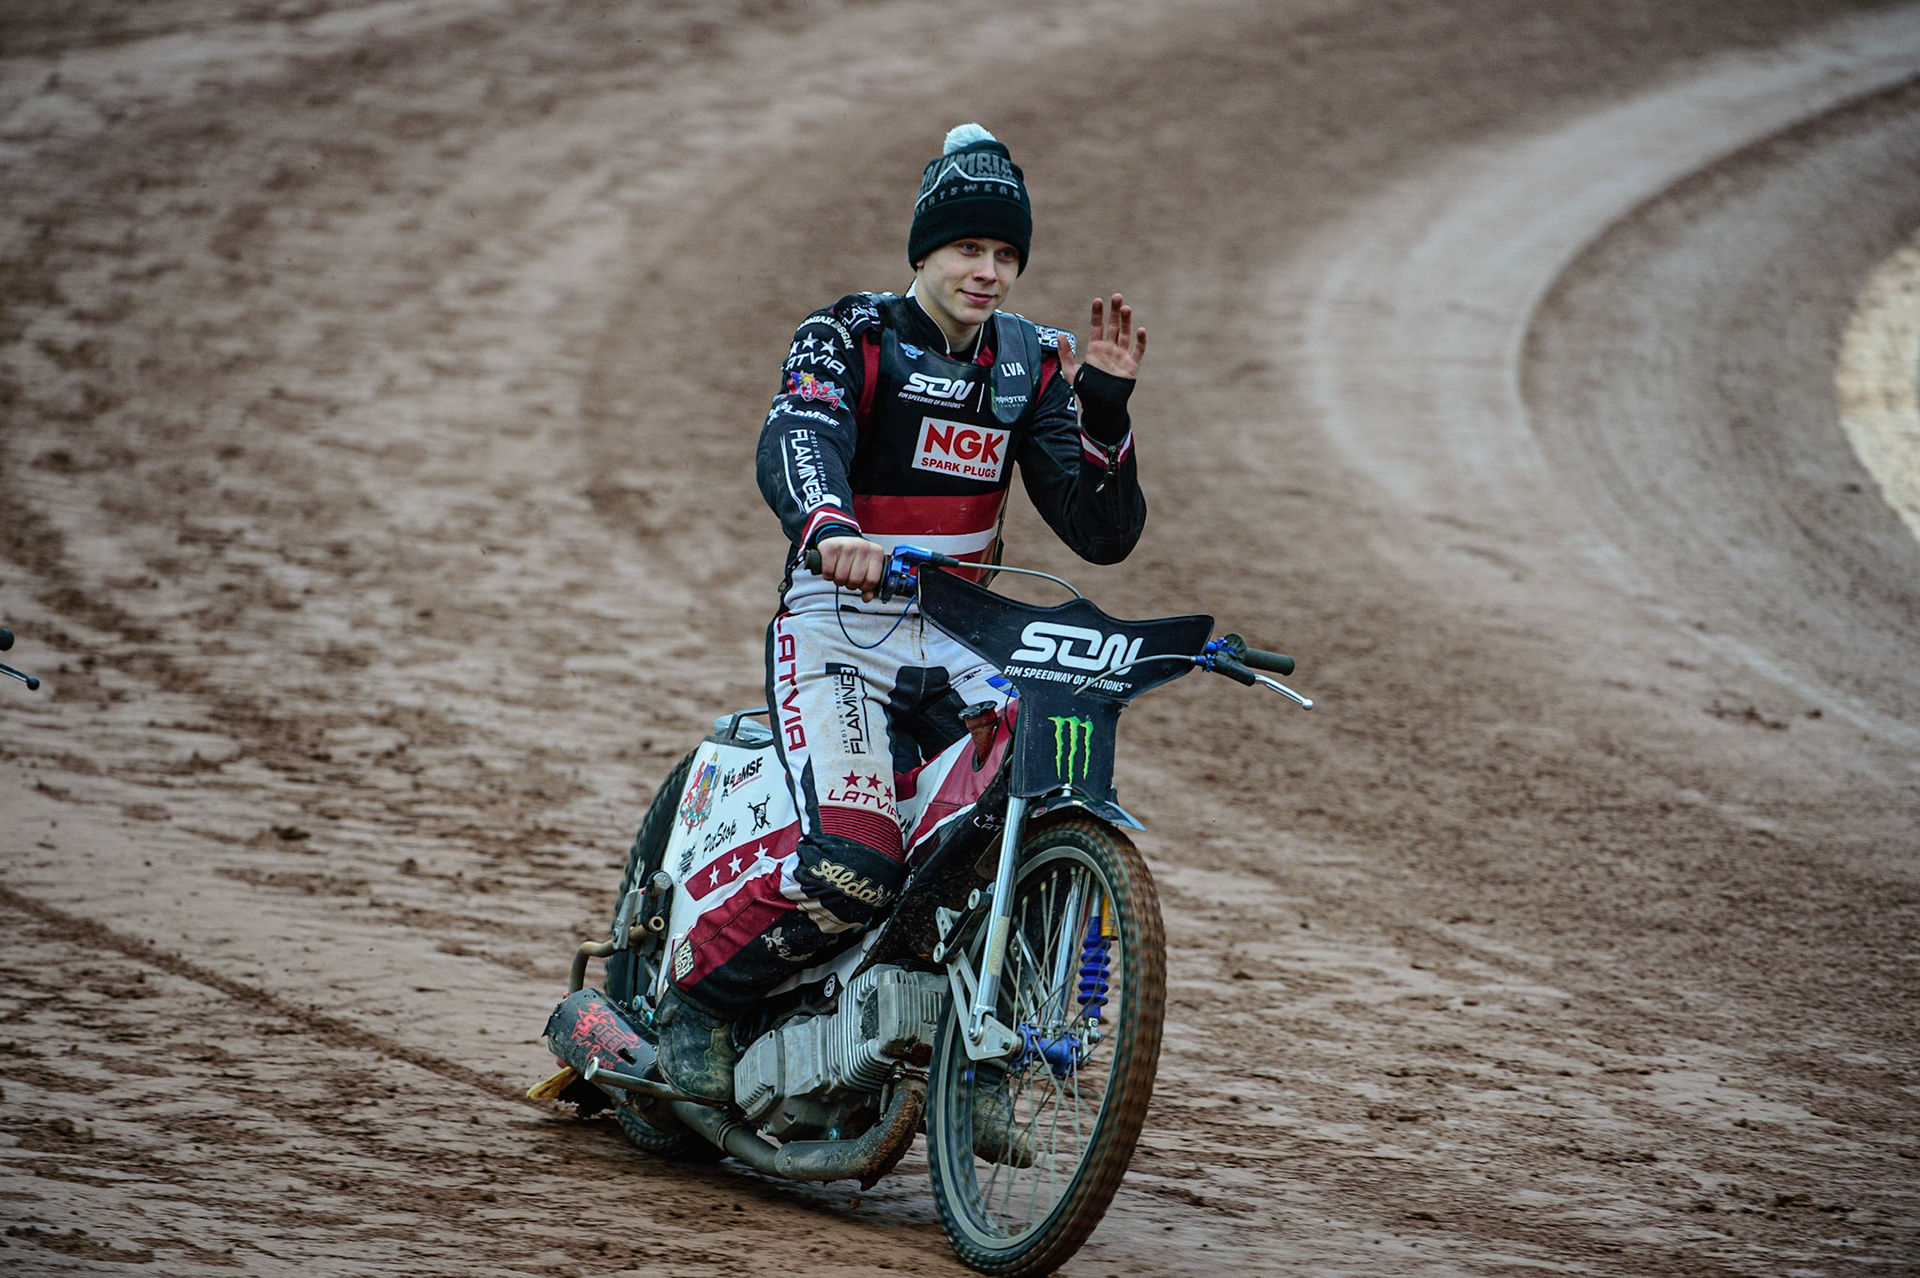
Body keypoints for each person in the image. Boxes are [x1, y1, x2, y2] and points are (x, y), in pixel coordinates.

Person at [655, 124, 1150, 1127]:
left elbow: (1100, 532)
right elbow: (799, 433)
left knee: (1023, 810)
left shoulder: (1033, 365)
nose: (989, 271)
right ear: (923, 251)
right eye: (969, 248)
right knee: (855, 862)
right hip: (842, 626)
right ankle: (698, 1007)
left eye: (1007, 254)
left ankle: (974, 1067)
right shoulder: (847, 334)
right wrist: (831, 525)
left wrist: (1103, 411)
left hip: (966, 636)